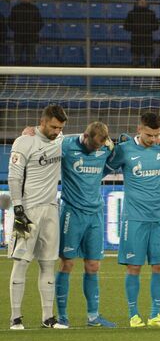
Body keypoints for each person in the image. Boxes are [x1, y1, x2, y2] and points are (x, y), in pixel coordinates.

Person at [106, 111, 160, 327]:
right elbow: (104, 166)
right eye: (149, 135)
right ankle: (133, 315)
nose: (154, 139)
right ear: (139, 129)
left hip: (159, 218)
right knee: (134, 267)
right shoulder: (124, 150)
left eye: (157, 135)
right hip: (134, 218)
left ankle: (156, 315)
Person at [8, 105, 68, 330]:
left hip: (51, 209)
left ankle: (48, 318)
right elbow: (14, 178)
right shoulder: (24, 142)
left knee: (48, 263)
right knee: (21, 261)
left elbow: (84, 138)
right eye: (53, 126)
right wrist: (18, 209)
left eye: (60, 127)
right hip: (27, 211)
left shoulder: (60, 140)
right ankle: (15, 318)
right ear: (42, 122)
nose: (56, 131)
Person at [54, 122, 116, 327]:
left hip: (96, 214)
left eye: (101, 146)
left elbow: (118, 154)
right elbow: (45, 141)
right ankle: (62, 316)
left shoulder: (105, 148)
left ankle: (93, 316)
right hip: (72, 212)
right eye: (94, 145)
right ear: (86, 136)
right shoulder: (66, 145)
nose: (97, 150)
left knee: (93, 265)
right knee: (67, 263)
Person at [123, 0, 160, 66]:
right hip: (136, 42)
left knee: (148, 64)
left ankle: (148, 77)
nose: (143, 3)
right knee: (135, 64)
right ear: (137, 2)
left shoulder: (151, 13)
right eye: (141, 1)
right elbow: (126, 26)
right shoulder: (131, 13)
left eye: (144, 1)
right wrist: (136, 27)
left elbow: (156, 26)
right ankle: (136, 77)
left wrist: (147, 27)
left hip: (148, 42)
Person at [9, 0, 43, 65]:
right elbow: (10, 22)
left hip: (31, 38)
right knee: (17, 59)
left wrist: (33, 30)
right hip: (19, 37)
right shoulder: (15, 8)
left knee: (30, 59)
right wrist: (17, 29)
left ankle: (29, 75)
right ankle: (17, 75)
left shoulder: (34, 9)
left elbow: (40, 22)